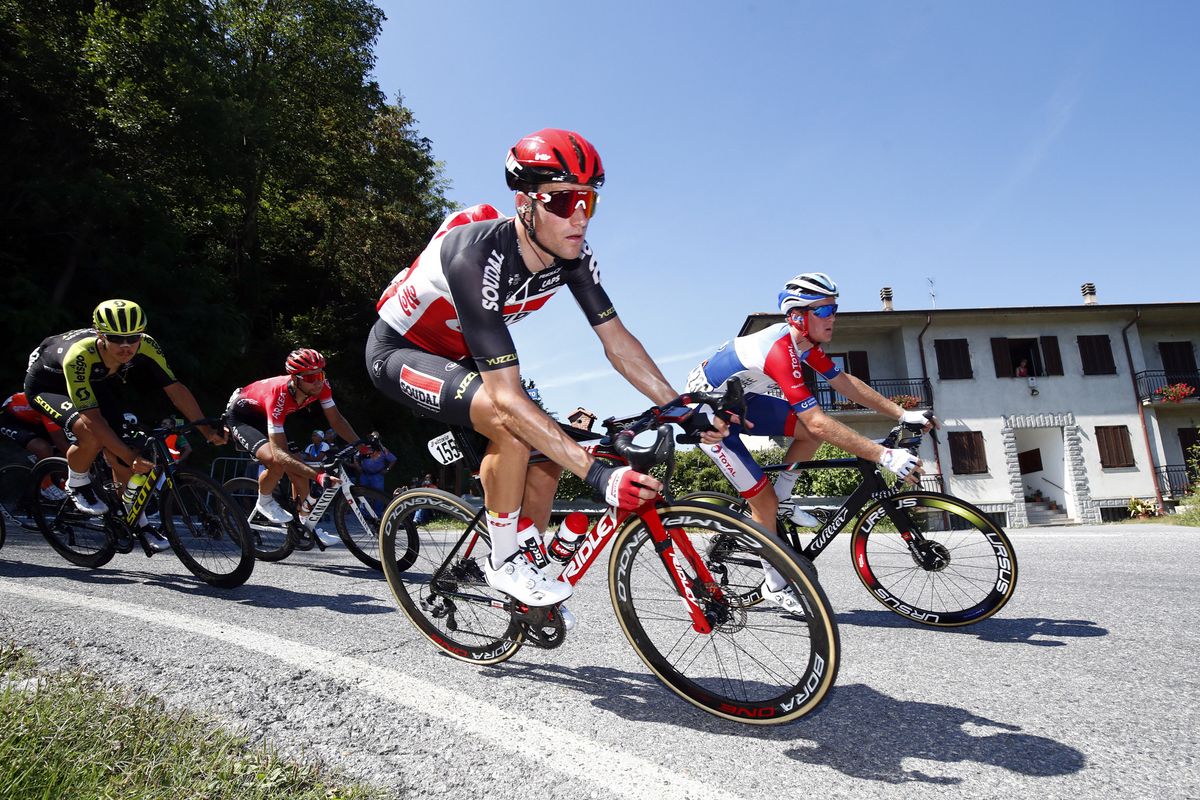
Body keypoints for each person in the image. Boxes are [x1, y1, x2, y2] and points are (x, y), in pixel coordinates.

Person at [366, 127, 726, 612]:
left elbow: (618, 343)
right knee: (511, 423)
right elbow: (509, 400)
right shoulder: (474, 252)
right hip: (400, 350)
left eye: (588, 201)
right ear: (525, 204)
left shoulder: (572, 257)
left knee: (550, 452)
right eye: (562, 201)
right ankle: (502, 560)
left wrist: (678, 407)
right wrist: (598, 476)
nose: (579, 216)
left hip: (463, 355)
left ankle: (525, 549)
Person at [687, 273, 937, 611]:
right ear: (797, 316)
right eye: (823, 311)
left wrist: (901, 413)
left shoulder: (804, 345)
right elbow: (819, 421)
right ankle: (774, 584)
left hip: (743, 401)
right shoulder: (779, 350)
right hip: (708, 415)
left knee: (805, 434)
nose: (832, 317)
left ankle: (783, 496)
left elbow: (843, 381)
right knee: (764, 499)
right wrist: (884, 456)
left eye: (833, 308)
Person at [23, 300, 225, 548]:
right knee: (92, 434)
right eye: (116, 338)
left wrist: (205, 429)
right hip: (47, 386)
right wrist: (129, 456)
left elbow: (176, 390)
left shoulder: (147, 345)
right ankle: (77, 483)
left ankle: (136, 521)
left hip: (94, 380)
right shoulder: (80, 354)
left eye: (133, 337)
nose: (126, 345)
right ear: (100, 335)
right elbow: (93, 419)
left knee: (123, 451)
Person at [224, 348, 365, 547]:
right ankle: (264, 501)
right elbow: (280, 455)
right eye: (311, 377)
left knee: (297, 462)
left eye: (321, 374)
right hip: (243, 419)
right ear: (295, 378)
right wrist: (317, 476)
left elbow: (337, 420)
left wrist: (361, 445)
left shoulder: (321, 386)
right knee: (277, 462)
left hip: (267, 418)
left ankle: (306, 520)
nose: (318, 381)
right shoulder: (279, 395)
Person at [2, 391, 71, 463]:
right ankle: (43, 473)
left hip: (34, 418)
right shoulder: (49, 406)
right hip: (9, 418)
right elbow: (60, 441)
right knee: (43, 449)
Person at [354, 432, 396, 514]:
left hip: (377, 476)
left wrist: (387, 469)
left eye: (374, 437)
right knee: (363, 493)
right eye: (371, 437)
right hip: (365, 475)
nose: (372, 439)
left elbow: (393, 459)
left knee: (378, 495)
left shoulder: (383, 449)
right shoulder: (364, 448)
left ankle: (377, 513)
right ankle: (363, 513)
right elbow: (355, 457)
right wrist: (358, 467)